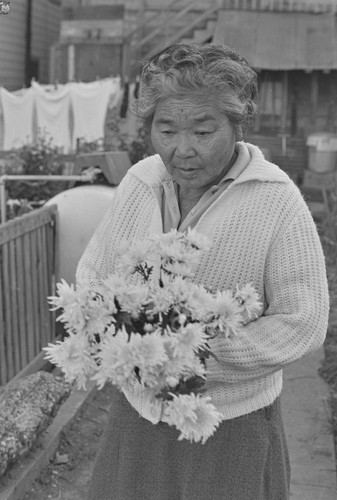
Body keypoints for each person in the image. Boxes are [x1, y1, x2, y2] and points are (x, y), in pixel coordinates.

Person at [76, 42, 329, 500]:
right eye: (166, 129)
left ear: (237, 124)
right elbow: (95, 272)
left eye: (203, 130)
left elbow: (302, 322)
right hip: (138, 416)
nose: (182, 150)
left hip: (231, 425)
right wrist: (115, 338)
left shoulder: (276, 200)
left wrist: (196, 359)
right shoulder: (140, 183)